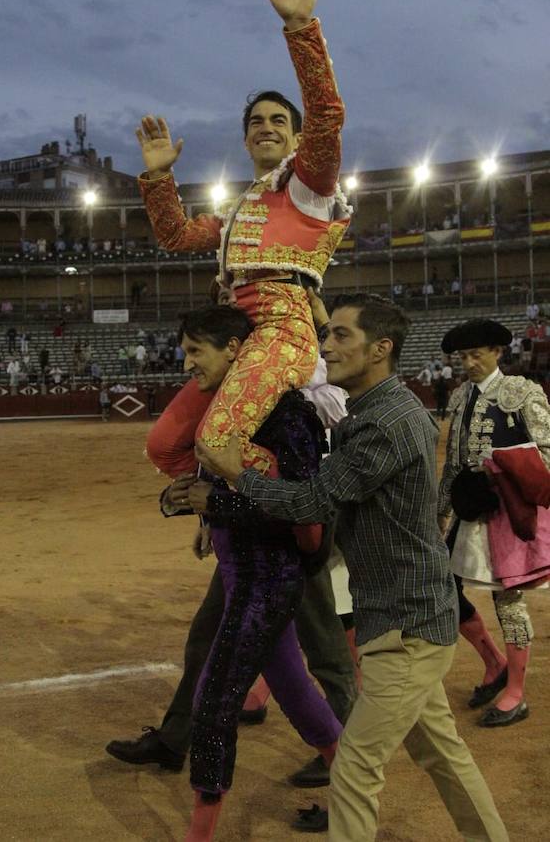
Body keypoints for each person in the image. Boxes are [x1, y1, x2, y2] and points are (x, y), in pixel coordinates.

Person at [196, 293, 509, 841]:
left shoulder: (380, 422)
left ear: (381, 349)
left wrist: (235, 476)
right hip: (410, 617)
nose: (327, 345)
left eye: (341, 335)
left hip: (406, 628)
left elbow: (313, 503)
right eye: (327, 333)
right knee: (444, 756)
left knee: (355, 771)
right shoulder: (380, 410)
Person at [109, 305, 345, 842]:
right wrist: (184, 502)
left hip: (271, 578)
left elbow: (305, 506)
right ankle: (352, 786)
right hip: (243, 573)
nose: (187, 361)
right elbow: (220, 493)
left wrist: (217, 503)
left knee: (214, 704)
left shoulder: (292, 413)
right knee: (297, 693)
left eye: (196, 350)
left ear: (237, 351)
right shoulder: (230, 409)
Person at [138, 0, 351, 513]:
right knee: (164, 445)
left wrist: (301, 27)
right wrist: (160, 177)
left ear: (299, 141)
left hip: (281, 329)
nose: (266, 127)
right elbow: (178, 237)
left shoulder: (308, 185)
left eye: (279, 120)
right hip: (236, 334)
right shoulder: (242, 207)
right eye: (256, 121)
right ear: (244, 139)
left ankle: (302, 506)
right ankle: (247, 495)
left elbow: (327, 114)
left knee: (214, 444)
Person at [438, 318, 550, 727]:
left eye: (476, 354)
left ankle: (517, 692)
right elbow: (452, 465)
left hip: (508, 511)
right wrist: (439, 516)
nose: (468, 363)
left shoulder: (521, 393)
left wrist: (502, 473)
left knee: (508, 598)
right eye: (463, 356)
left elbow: (548, 452)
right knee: (444, 588)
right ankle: (494, 661)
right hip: (469, 511)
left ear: (498, 353)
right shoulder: (459, 395)